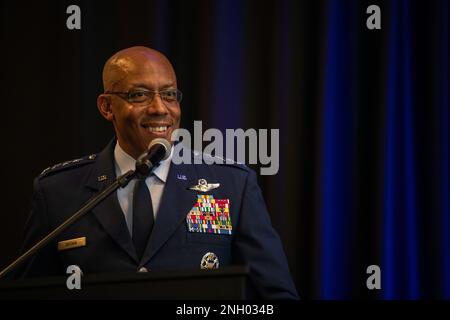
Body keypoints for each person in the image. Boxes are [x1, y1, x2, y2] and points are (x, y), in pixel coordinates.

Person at [17, 46, 298, 299]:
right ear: (106, 107)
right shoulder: (58, 191)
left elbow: (274, 296)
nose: (159, 108)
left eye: (169, 95)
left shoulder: (232, 184)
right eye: (139, 95)